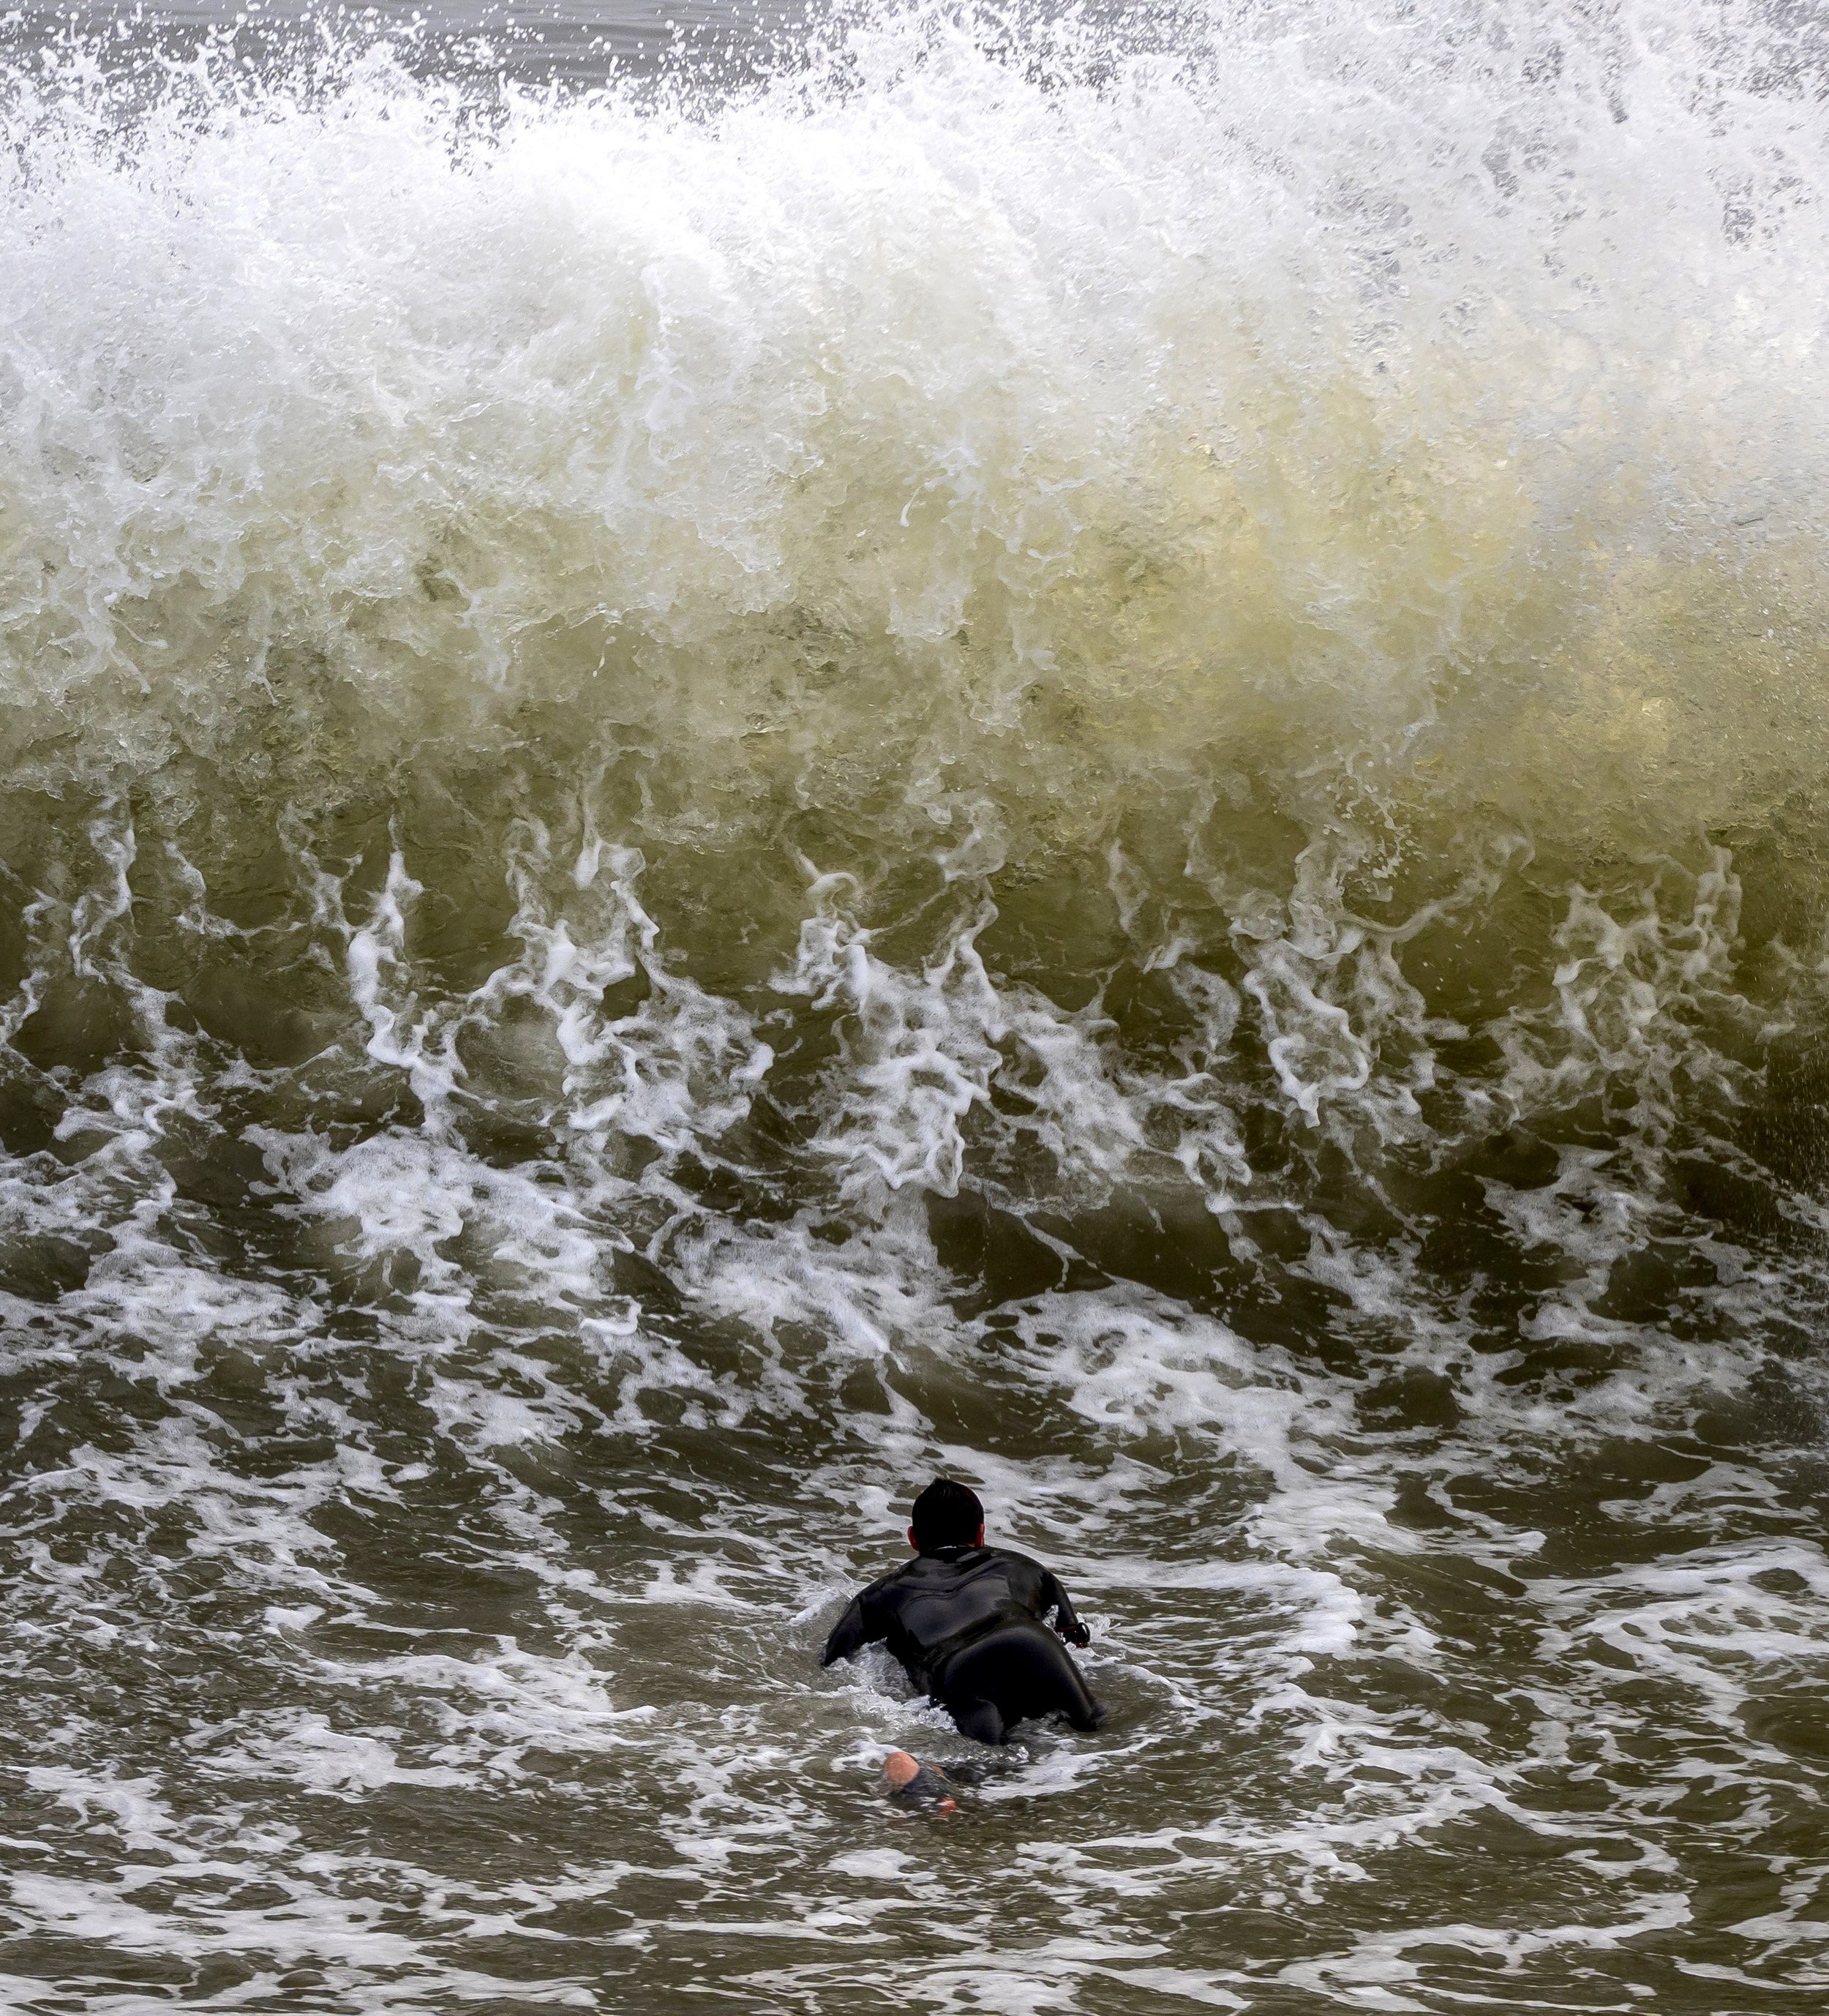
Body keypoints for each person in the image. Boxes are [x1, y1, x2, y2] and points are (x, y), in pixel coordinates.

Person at [822, 1477, 1104, 1745]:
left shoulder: (879, 1594)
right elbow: (1076, 1640)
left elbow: (834, 1659)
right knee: (1094, 1730)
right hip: (1035, 1644)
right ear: (981, 1533)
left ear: (913, 1539)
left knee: (986, 1769)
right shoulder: (1024, 1567)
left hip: (959, 1667)